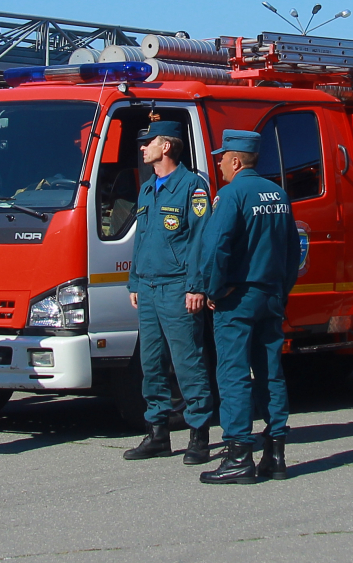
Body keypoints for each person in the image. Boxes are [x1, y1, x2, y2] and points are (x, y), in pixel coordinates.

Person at [196, 128, 300, 484]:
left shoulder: (231, 195)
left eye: (222, 158)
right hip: (270, 295)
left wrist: (212, 289)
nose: (220, 164)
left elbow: (215, 248)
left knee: (234, 374)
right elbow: (291, 252)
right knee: (271, 373)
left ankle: (239, 453)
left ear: (236, 160)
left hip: (236, 298)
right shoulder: (280, 195)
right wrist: (281, 291)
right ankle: (276, 453)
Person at [123, 121, 216, 464]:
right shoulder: (148, 189)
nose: (143, 147)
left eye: (148, 141)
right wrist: (134, 282)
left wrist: (196, 287)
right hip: (147, 287)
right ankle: (157, 433)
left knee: (188, 361)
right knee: (152, 363)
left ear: (166, 146)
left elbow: (201, 243)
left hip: (178, 287)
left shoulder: (192, 187)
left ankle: (199, 436)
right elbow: (142, 240)